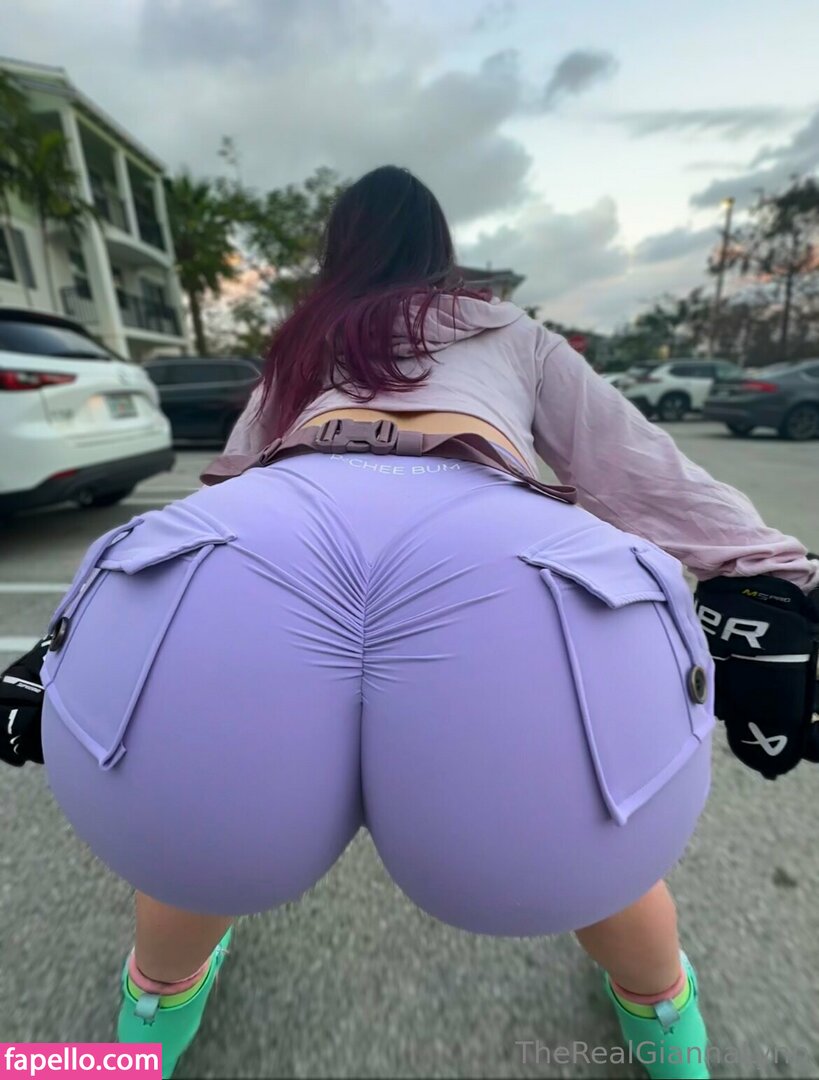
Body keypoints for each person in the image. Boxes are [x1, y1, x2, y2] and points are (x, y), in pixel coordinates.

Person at [6, 166, 818, 1080]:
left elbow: (237, 478)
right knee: (595, 844)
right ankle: (663, 1022)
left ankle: (150, 1013)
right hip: (500, 545)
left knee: (194, 843)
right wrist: (773, 571)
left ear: (338, 250)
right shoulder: (508, 329)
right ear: (440, 249)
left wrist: (81, 633)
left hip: (265, 533)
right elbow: (634, 465)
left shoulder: (305, 338)